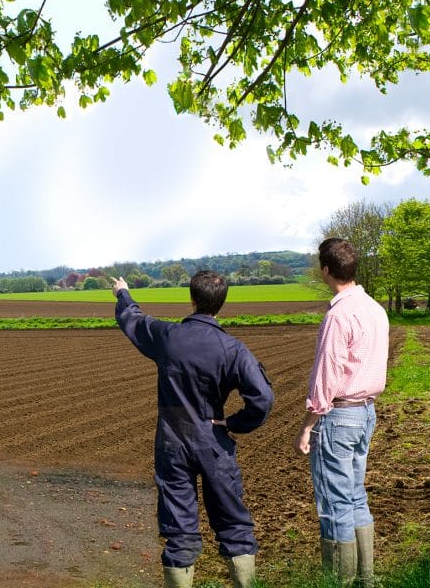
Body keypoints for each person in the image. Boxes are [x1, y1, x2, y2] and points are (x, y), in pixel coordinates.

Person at [111, 271, 274, 588]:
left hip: (172, 443)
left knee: (179, 530)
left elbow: (134, 320)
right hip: (213, 441)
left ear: (192, 299)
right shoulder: (232, 349)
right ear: (221, 304)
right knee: (234, 526)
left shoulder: (168, 337)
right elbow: (263, 398)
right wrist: (235, 423)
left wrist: (123, 293)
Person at [293, 238, 388, 588]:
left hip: (339, 417)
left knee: (334, 504)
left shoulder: (338, 315)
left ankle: (339, 583)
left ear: (326, 270)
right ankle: (367, 579)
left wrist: (308, 425)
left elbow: (326, 375)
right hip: (366, 413)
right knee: (355, 496)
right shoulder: (375, 309)